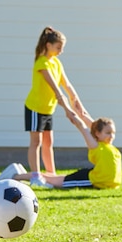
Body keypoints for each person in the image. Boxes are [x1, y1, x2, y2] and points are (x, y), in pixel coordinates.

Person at [0, 110, 122, 189]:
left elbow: (90, 122)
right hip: (91, 180)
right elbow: (82, 126)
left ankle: (20, 173)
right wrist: (71, 111)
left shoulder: (110, 147)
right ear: (98, 133)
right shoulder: (96, 146)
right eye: (108, 133)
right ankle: (15, 176)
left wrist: (81, 112)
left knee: (54, 179)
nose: (112, 136)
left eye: (113, 133)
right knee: (53, 182)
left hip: (92, 175)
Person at [24, 26, 83, 188]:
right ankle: (36, 176)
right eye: (58, 47)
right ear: (48, 45)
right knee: (36, 142)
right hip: (35, 108)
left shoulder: (56, 62)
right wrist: (67, 110)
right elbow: (56, 90)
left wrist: (75, 100)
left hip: (48, 109)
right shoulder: (42, 63)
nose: (60, 51)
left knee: (48, 142)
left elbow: (66, 85)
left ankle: (51, 175)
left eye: (62, 48)